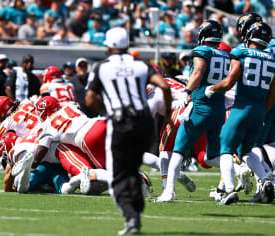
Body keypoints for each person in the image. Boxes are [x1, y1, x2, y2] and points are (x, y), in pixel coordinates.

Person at [85, 27, 172, 235]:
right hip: (143, 121)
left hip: (120, 121)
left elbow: (89, 100)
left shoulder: (101, 67)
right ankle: (137, 204)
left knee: (117, 175)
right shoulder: (141, 64)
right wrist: (167, 113)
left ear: (108, 45)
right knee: (132, 168)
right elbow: (165, 87)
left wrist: (108, 108)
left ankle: (132, 216)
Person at [155, 20, 230, 203]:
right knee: (213, 156)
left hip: (200, 107)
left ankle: (168, 192)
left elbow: (198, 71)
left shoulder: (202, 51)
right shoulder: (226, 55)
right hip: (219, 110)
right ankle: (235, 178)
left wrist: (187, 91)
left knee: (177, 150)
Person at [207, 22, 275, 204]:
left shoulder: (241, 52)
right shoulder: (271, 59)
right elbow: (273, 94)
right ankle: (265, 180)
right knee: (247, 150)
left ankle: (229, 189)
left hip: (241, 107)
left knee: (226, 148)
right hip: (260, 111)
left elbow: (229, 82)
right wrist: (262, 114)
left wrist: (212, 89)